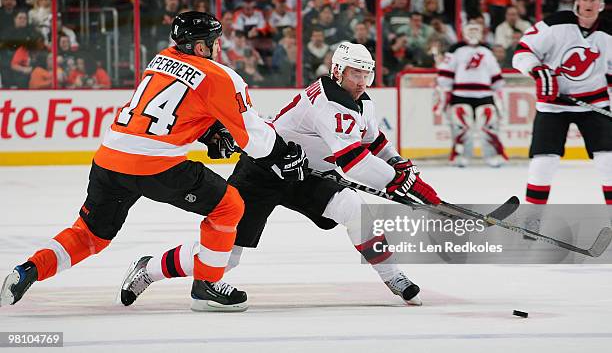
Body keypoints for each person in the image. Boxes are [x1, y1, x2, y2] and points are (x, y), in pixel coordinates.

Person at [0, 11, 308, 312]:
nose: (219, 47)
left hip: (109, 158)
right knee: (229, 206)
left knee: (90, 234)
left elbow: (172, 109)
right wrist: (282, 153)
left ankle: (29, 269)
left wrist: (209, 132)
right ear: (201, 47)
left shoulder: (160, 59)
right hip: (156, 166)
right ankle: (206, 287)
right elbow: (255, 138)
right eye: (215, 41)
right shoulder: (221, 76)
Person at [118, 42, 442, 308]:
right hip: (262, 170)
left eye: (366, 74)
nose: (361, 81)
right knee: (226, 258)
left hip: (306, 173)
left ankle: (392, 275)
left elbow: (375, 142)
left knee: (355, 209)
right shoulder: (329, 104)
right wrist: (400, 183)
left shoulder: (361, 103)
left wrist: (403, 168)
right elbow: (355, 161)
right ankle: (149, 269)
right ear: (338, 72)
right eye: (355, 73)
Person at [512, 0, 611, 207]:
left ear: (600, 3)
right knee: (543, 162)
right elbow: (522, 52)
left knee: (609, 161)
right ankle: (532, 220)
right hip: (553, 104)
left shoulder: (609, 31)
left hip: (595, 104)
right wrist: (537, 71)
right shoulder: (556, 23)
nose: (588, 4)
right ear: (577, 1)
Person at [436, 23, 508, 167]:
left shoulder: (487, 51)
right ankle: (461, 156)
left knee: (489, 126)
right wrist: (446, 91)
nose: (474, 34)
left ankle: (491, 156)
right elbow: (445, 74)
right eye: (471, 30)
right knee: (462, 127)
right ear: (464, 32)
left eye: (477, 30)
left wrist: (497, 89)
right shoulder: (456, 50)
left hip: (485, 94)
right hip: (460, 94)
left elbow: (495, 74)